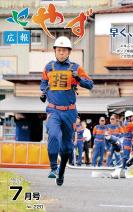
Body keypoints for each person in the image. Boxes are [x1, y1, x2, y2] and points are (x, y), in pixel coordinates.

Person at [40, 36, 93, 186]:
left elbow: (90, 84)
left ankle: (61, 171)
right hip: (53, 110)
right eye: (58, 50)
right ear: (55, 51)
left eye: (64, 50)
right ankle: (53, 168)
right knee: (54, 135)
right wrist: (43, 93)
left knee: (68, 148)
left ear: (69, 52)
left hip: (69, 112)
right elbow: (43, 83)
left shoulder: (76, 68)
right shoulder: (48, 67)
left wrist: (79, 79)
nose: (61, 53)